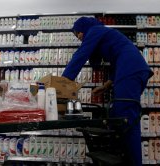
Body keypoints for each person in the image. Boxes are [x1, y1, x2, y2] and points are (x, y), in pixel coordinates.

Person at [62, 17, 153, 166]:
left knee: (126, 116)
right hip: (132, 70)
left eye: (78, 32)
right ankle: (123, 158)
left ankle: (135, 163)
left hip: (131, 70)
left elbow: (81, 54)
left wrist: (63, 83)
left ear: (85, 27)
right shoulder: (103, 34)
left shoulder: (95, 30)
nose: (79, 37)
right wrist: (106, 85)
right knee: (118, 114)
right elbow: (118, 60)